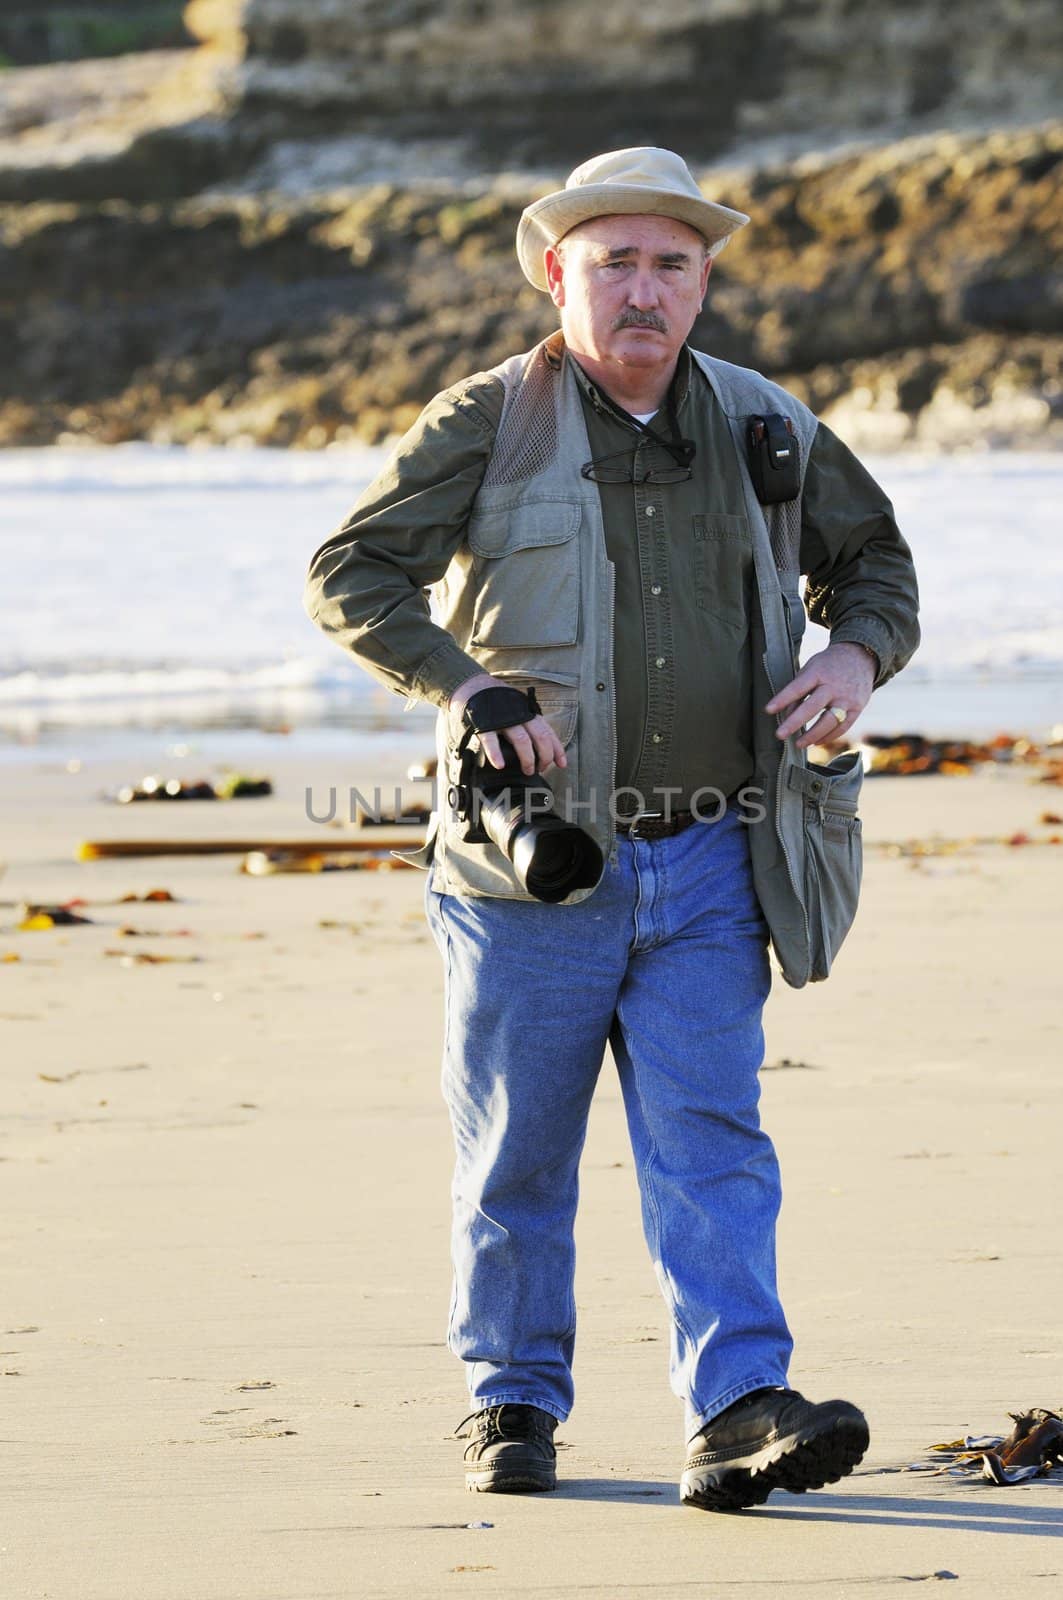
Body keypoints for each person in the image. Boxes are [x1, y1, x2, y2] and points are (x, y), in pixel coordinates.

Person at [303, 146, 919, 1512]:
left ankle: (739, 1404)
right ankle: (511, 1403)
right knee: (520, 1151)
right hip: (532, 867)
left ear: (704, 282)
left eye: (671, 264)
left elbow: (876, 564)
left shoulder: (765, 422)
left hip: (716, 851)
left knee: (714, 1137)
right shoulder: (490, 419)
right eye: (614, 263)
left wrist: (857, 663)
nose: (643, 290)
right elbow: (351, 571)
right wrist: (466, 687)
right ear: (555, 274)